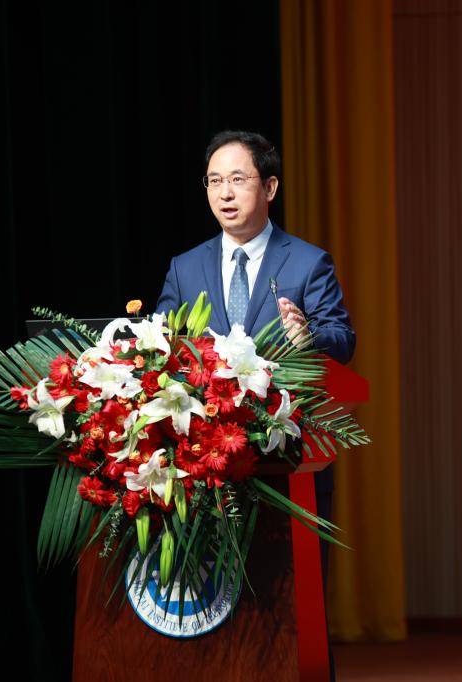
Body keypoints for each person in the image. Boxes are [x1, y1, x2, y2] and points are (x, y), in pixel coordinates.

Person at [155, 127, 353, 585]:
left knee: (287, 602)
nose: (224, 193)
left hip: (285, 462)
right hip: (204, 469)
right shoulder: (185, 268)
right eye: (214, 181)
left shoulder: (308, 263)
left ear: (270, 187)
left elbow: (343, 339)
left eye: (238, 179)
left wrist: (308, 339)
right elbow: (162, 345)